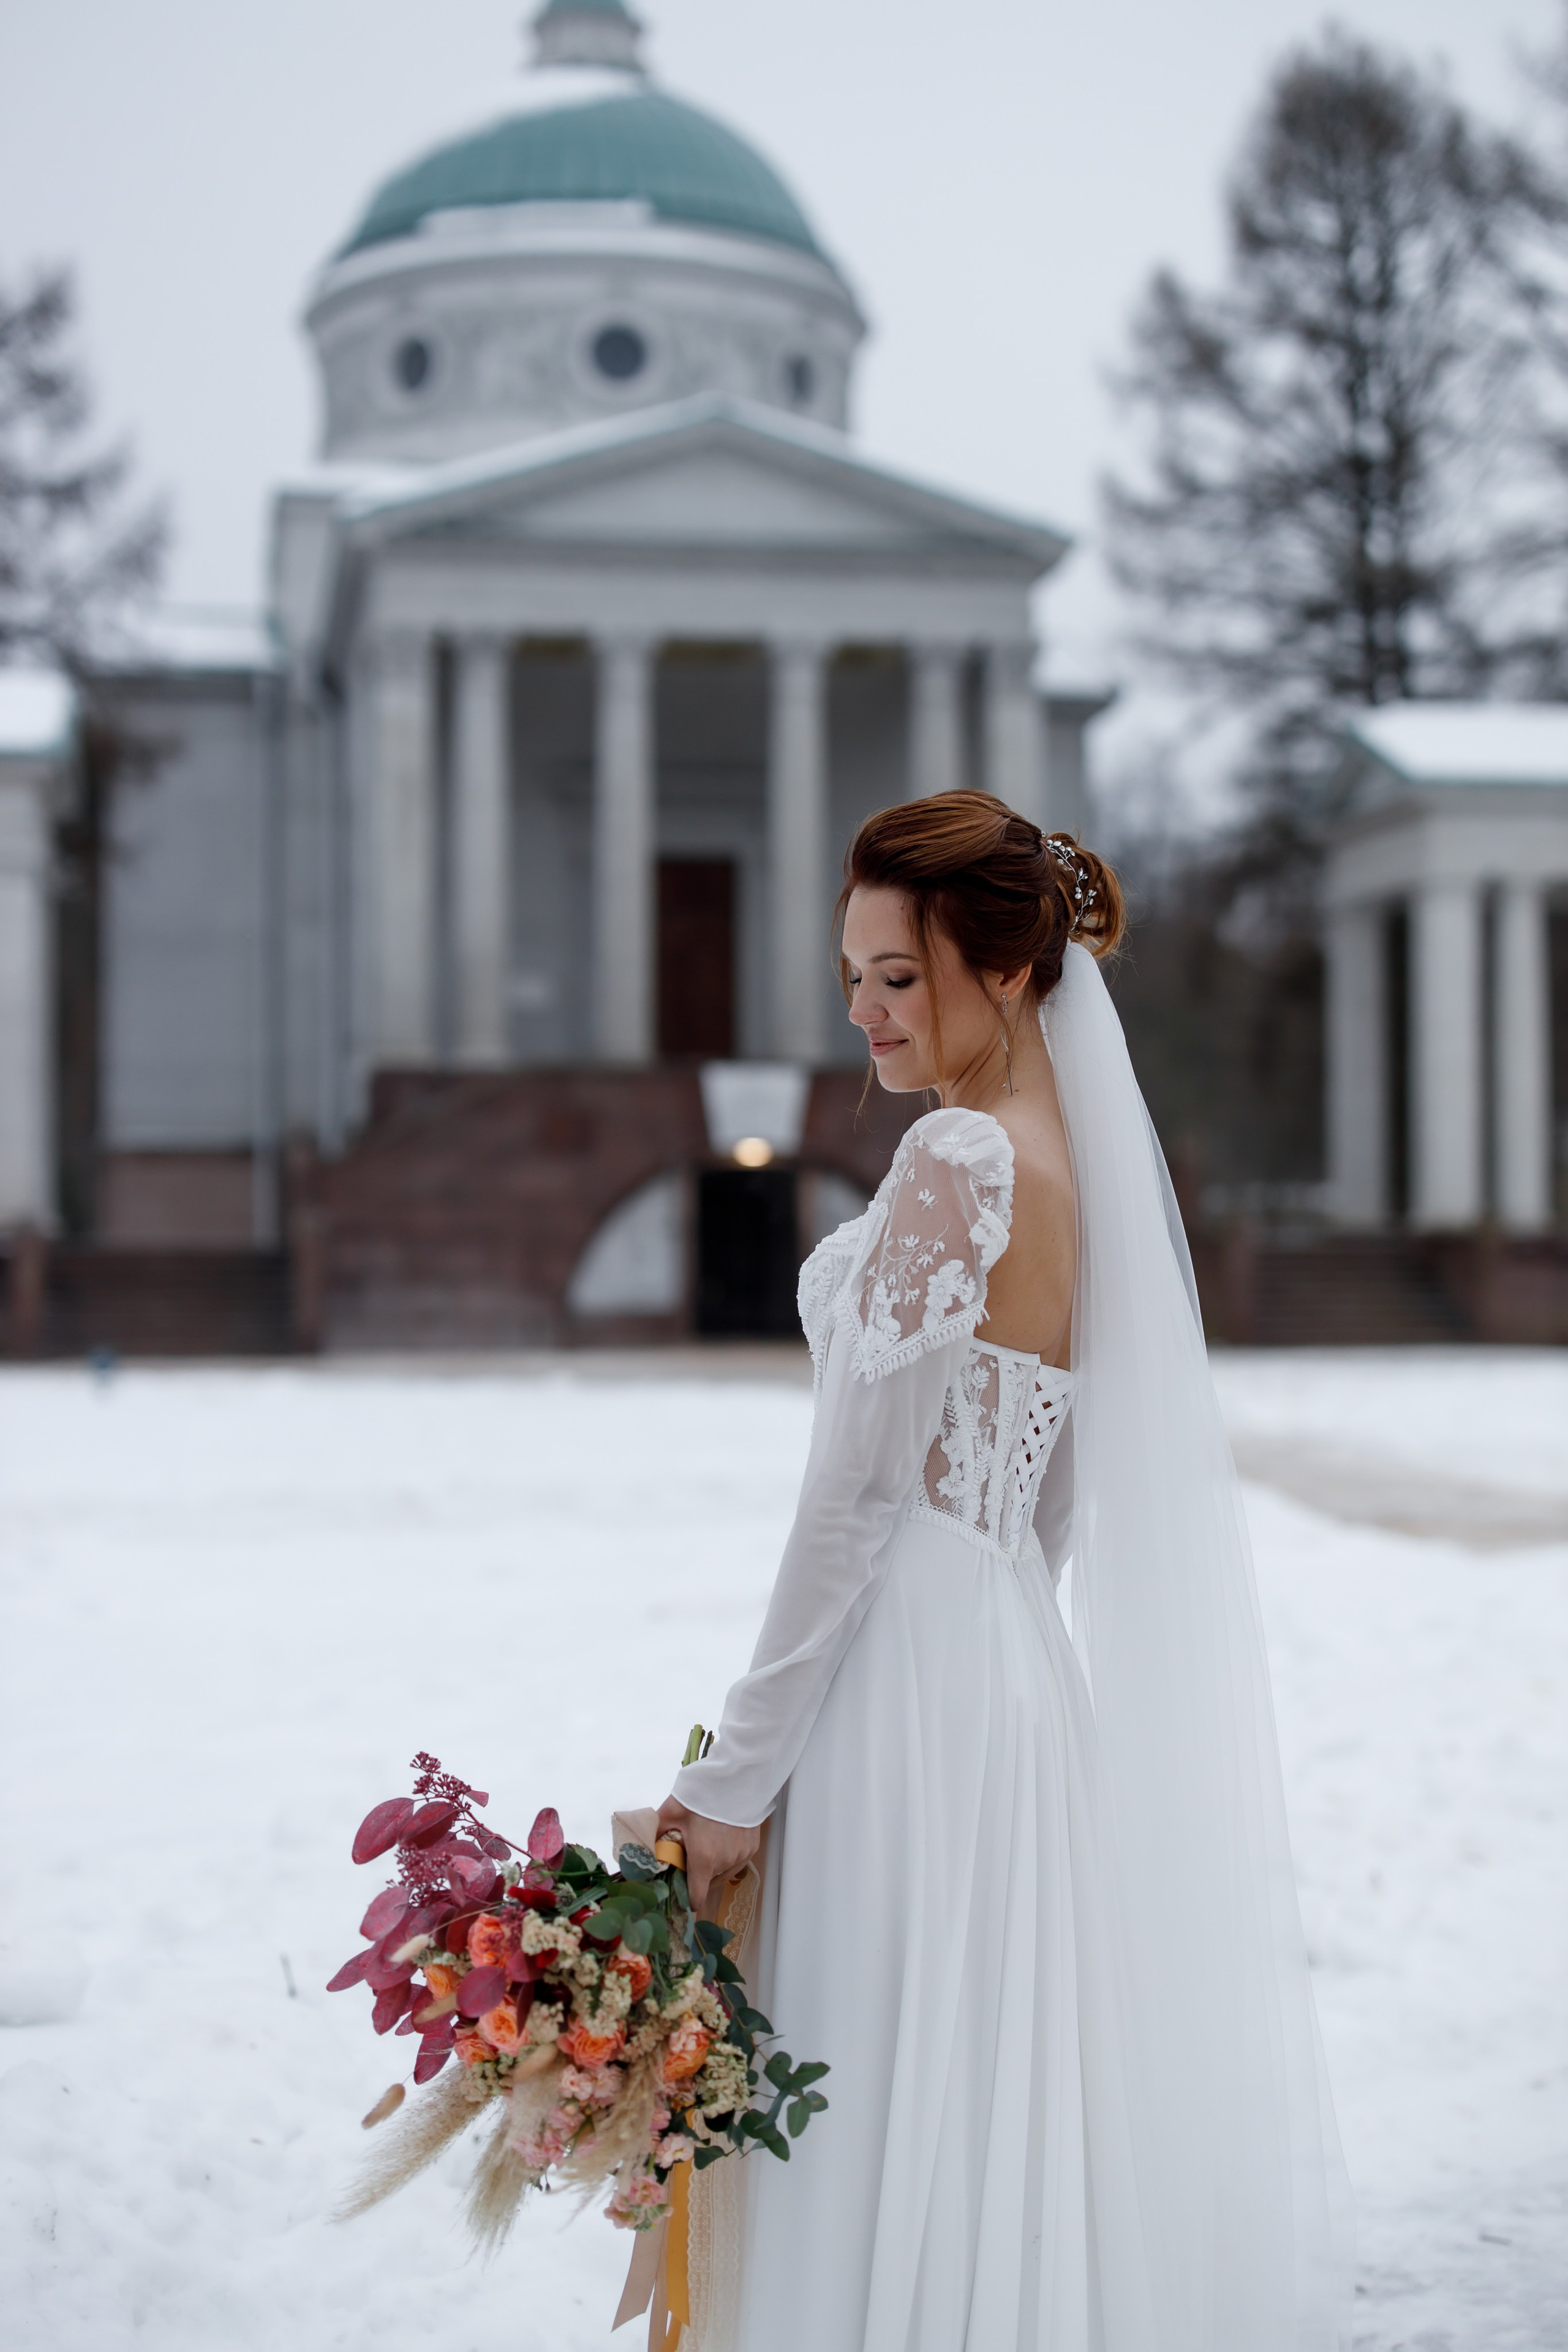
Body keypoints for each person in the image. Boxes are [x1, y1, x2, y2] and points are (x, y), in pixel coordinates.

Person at [658, 791, 1349, 2352]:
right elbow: (1050, 1487)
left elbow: (848, 1503)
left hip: (906, 1675)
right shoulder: (1076, 1166)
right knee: (976, 2087)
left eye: (901, 977)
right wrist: (989, 1613)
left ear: (1012, 972)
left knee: (887, 2072)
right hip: (1008, 1668)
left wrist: (738, 1777)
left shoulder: (957, 1163)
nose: (864, 1012)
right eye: (852, 976)